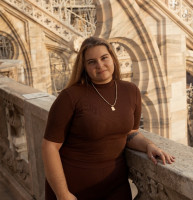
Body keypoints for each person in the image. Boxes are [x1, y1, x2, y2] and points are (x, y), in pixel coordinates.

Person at [42, 37, 175, 200]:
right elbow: (50, 147)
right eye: (92, 62)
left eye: (104, 57)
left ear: (112, 57)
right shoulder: (70, 97)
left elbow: (130, 133)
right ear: (84, 67)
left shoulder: (131, 91)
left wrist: (149, 145)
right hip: (75, 188)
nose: (100, 65)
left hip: (115, 186)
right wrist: (62, 194)